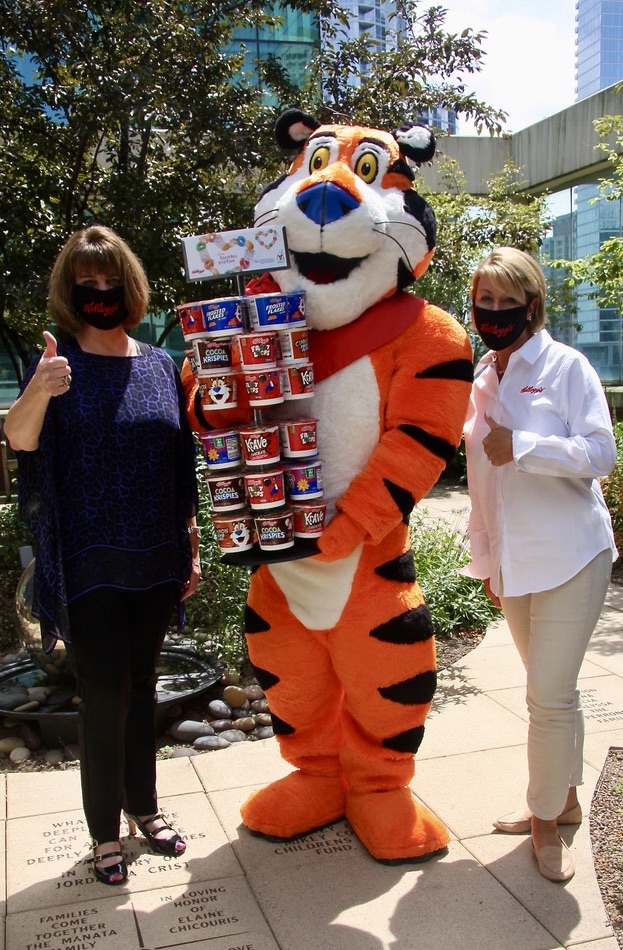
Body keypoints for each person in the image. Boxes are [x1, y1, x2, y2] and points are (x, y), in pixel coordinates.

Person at [4, 225, 201, 886]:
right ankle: (103, 833)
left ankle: (145, 808)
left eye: (109, 280)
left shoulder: (157, 365)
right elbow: (19, 442)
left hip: (154, 556)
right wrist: (40, 389)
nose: (99, 291)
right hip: (89, 561)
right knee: (103, 693)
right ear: (70, 290)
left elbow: (181, 466)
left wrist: (190, 542)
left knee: (144, 688)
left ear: (129, 286)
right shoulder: (58, 367)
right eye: (86, 283)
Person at [462, 246, 617, 883]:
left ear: (533, 303)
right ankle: (567, 796)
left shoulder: (564, 366)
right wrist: (490, 561)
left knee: (547, 697)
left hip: (572, 555)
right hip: (517, 562)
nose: (494, 312)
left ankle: (546, 819)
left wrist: (523, 444)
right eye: (484, 300)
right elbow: (481, 482)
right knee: (554, 694)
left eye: (507, 300)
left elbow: (601, 452)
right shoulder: (482, 375)